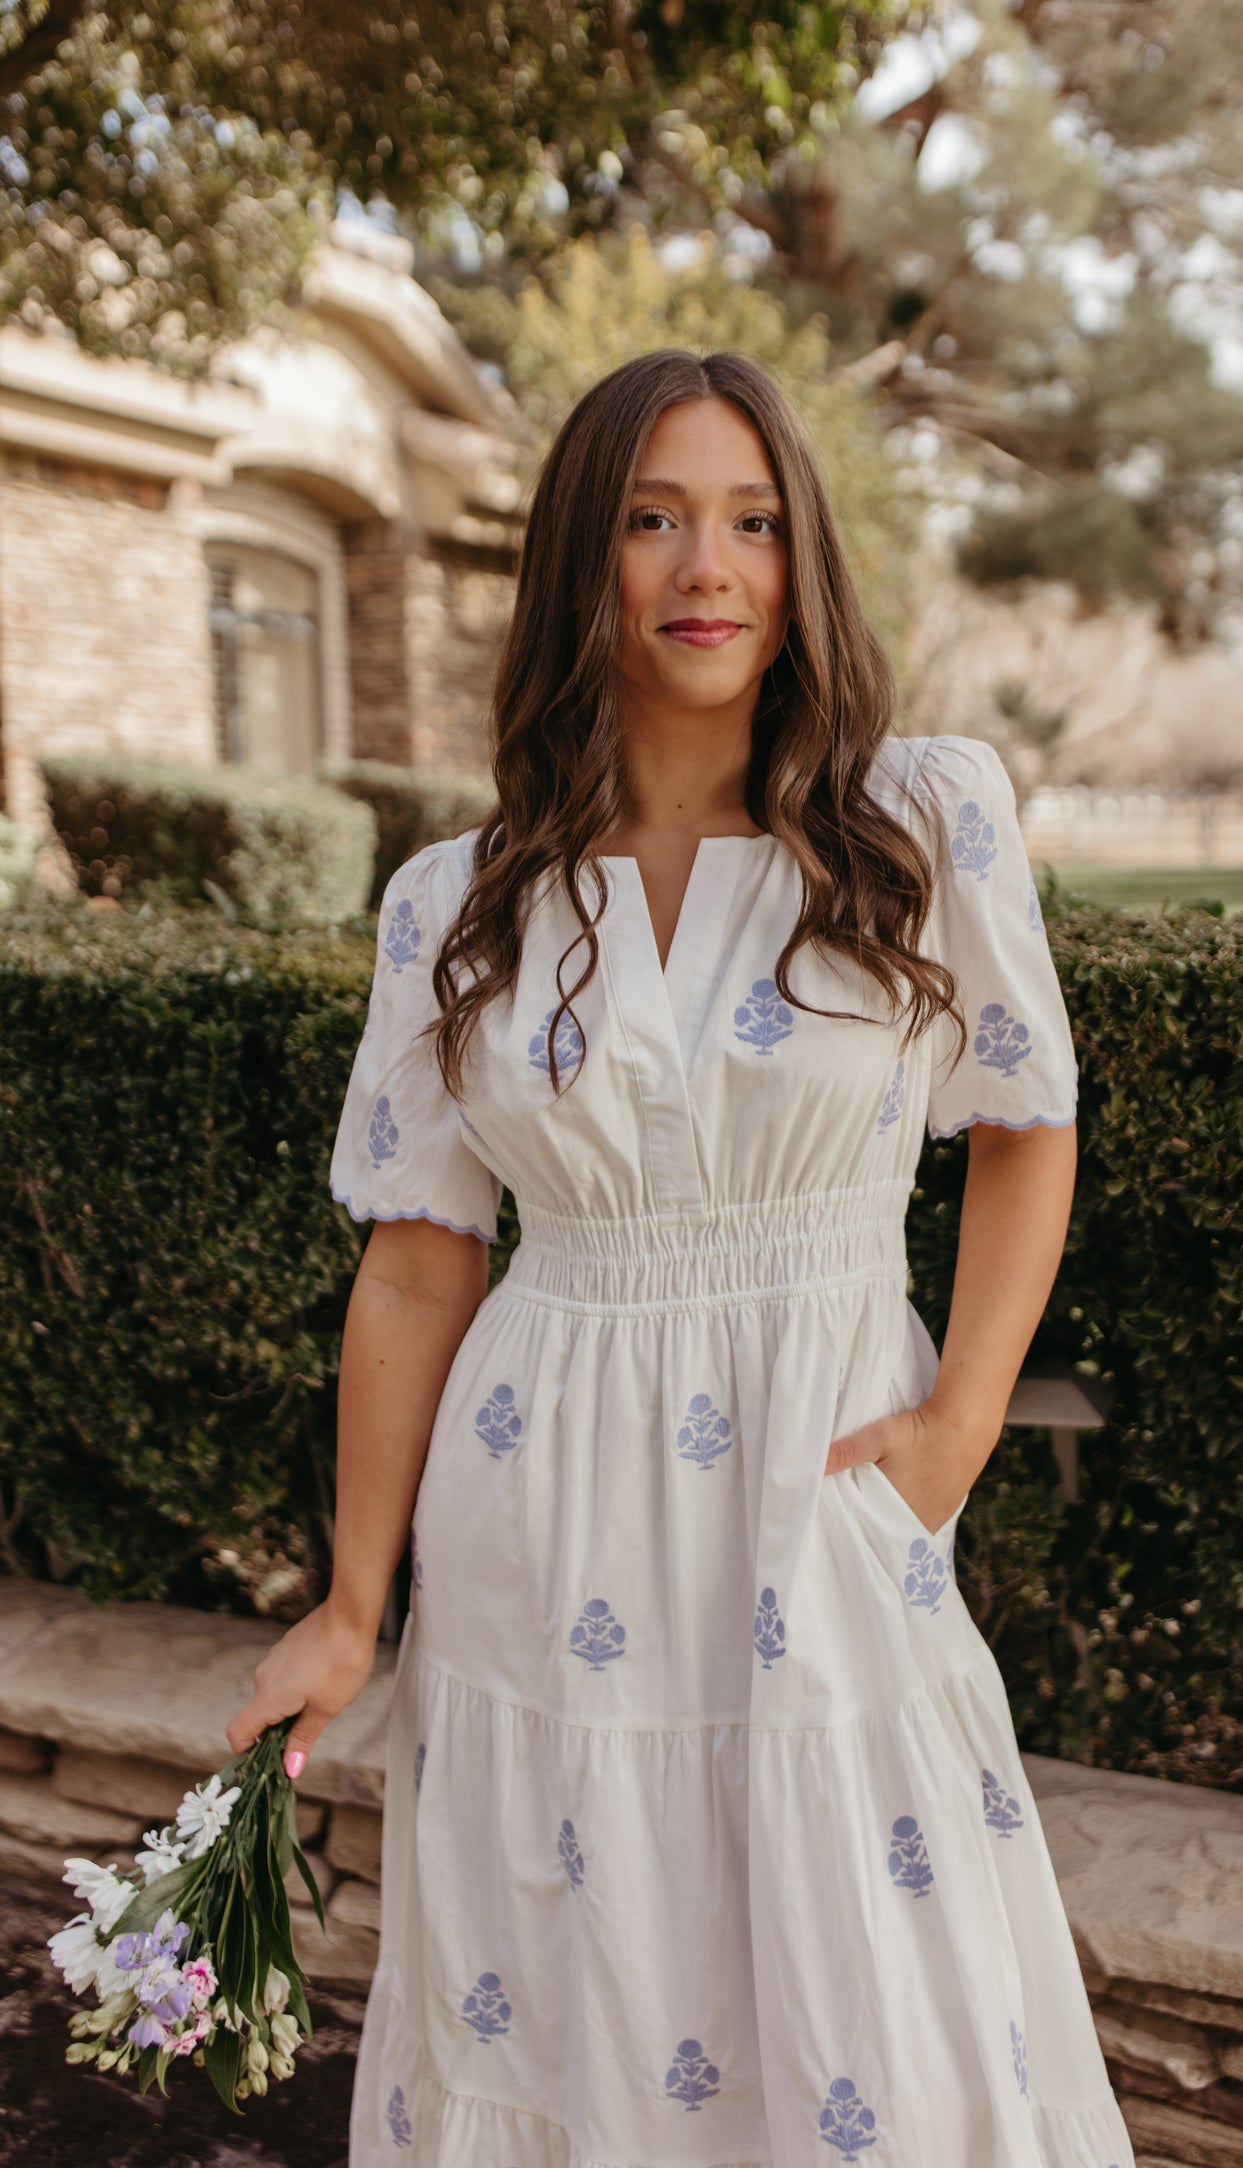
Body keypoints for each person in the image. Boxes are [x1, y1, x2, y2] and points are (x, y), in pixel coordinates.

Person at [225, 348, 1133, 2168]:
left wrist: (954, 1428)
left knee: (871, 1993)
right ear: (584, 559)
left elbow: (1026, 1117)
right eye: (651, 520)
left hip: (824, 1488)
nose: (706, 567)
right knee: (570, 1990)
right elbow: (419, 1259)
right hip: (537, 1513)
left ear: (802, 561)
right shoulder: (454, 901)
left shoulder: (920, 821)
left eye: (751, 521)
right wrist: (351, 1601)